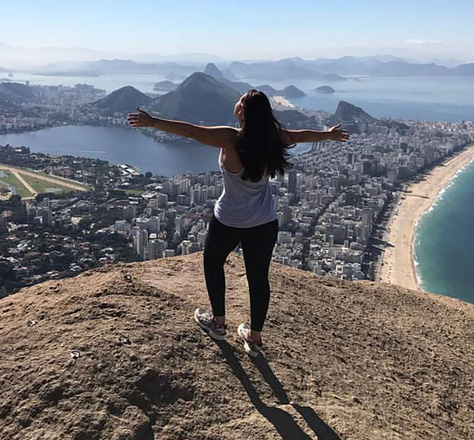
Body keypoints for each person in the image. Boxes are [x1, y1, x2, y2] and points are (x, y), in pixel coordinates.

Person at [128, 89, 349, 356]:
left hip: (230, 220)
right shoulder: (276, 138)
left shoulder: (231, 138)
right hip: (264, 222)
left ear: (242, 111)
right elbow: (301, 136)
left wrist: (153, 122)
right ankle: (254, 339)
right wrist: (329, 135)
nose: (237, 101)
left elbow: (193, 132)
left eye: (241, 100)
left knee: (212, 262)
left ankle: (218, 323)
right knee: (258, 279)